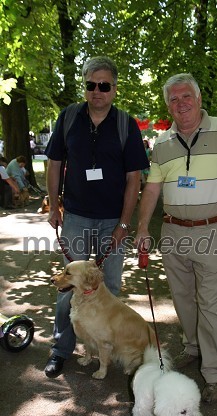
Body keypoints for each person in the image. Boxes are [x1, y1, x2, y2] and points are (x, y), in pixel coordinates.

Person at [136, 73, 217, 404]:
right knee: (182, 297)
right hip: (173, 231)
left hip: (214, 230)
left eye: (186, 96)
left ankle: (214, 372)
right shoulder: (161, 143)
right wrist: (143, 227)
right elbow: (153, 188)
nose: (180, 103)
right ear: (167, 106)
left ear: (199, 99)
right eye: (173, 99)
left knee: (210, 302)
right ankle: (193, 346)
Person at [44, 55, 149, 378]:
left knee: (109, 288)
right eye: (91, 84)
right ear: (85, 86)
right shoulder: (68, 118)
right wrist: (53, 205)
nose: (97, 91)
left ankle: (107, 349)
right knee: (69, 286)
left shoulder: (125, 124)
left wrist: (123, 223)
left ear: (114, 89)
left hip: (111, 221)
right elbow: (55, 164)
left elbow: (135, 177)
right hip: (75, 215)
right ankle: (61, 350)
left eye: (104, 85)